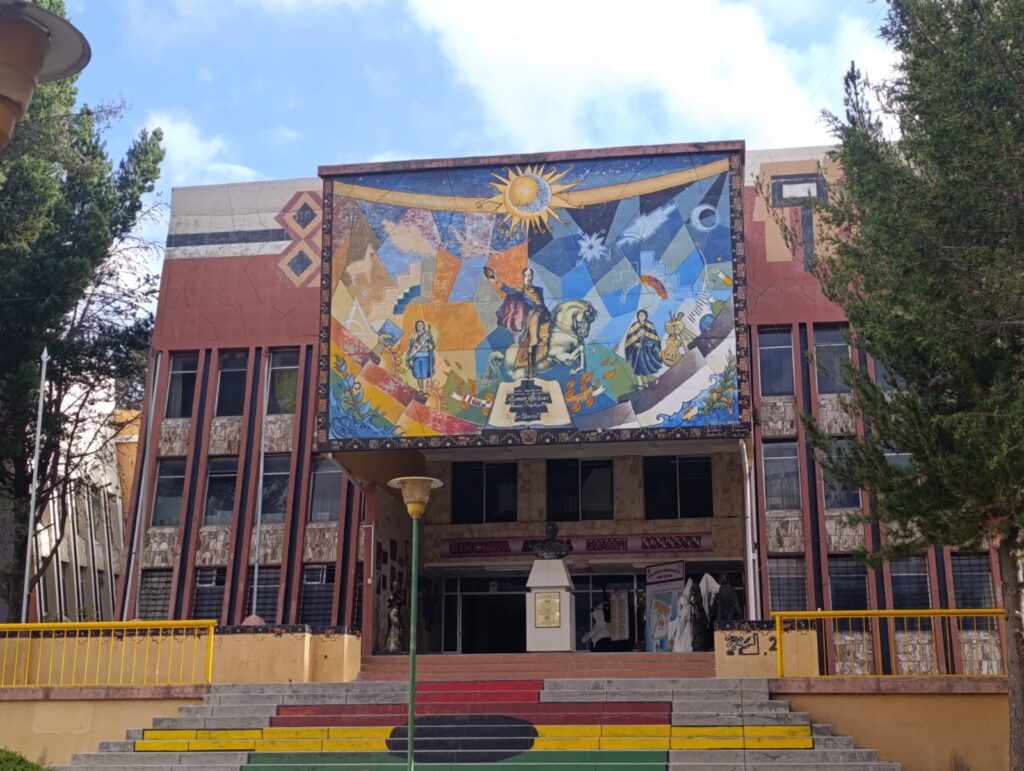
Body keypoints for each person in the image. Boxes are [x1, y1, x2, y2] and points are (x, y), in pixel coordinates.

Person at [484, 265, 551, 377]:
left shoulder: (539, 290)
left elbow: (542, 304)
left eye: (529, 275)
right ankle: (531, 368)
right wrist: (496, 280)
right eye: (526, 276)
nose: (528, 278)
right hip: (534, 316)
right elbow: (508, 290)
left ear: (532, 276)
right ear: (523, 277)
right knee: (534, 341)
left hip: (545, 316)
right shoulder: (521, 290)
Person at [623, 309, 663, 388]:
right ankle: (639, 382)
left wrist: (651, 343)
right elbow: (629, 339)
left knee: (645, 364)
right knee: (637, 365)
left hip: (646, 349)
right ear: (637, 316)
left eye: (643, 315)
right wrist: (635, 343)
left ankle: (645, 380)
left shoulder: (650, 325)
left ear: (646, 316)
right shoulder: (634, 326)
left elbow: (655, 337)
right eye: (640, 315)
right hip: (637, 349)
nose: (641, 317)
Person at [406, 320, 435, 396]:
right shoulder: (413, 336)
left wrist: (431, 346)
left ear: (423, 326)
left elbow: (432, 345)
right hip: (416, 358)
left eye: (421, 325)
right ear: (416, 326)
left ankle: (424, 391)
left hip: (425, 357)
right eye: (418, 325)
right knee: (418, 375)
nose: (420, 326)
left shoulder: (427, 336)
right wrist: (410, 360)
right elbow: (410, 349)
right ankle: (420, 389)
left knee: (424, 375)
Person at [669, 579, 695, 653]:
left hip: (685, 628)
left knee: (683, 642)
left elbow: (683, 621)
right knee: (683, 642)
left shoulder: (688, 608)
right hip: (685, 628)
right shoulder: (688, 608)